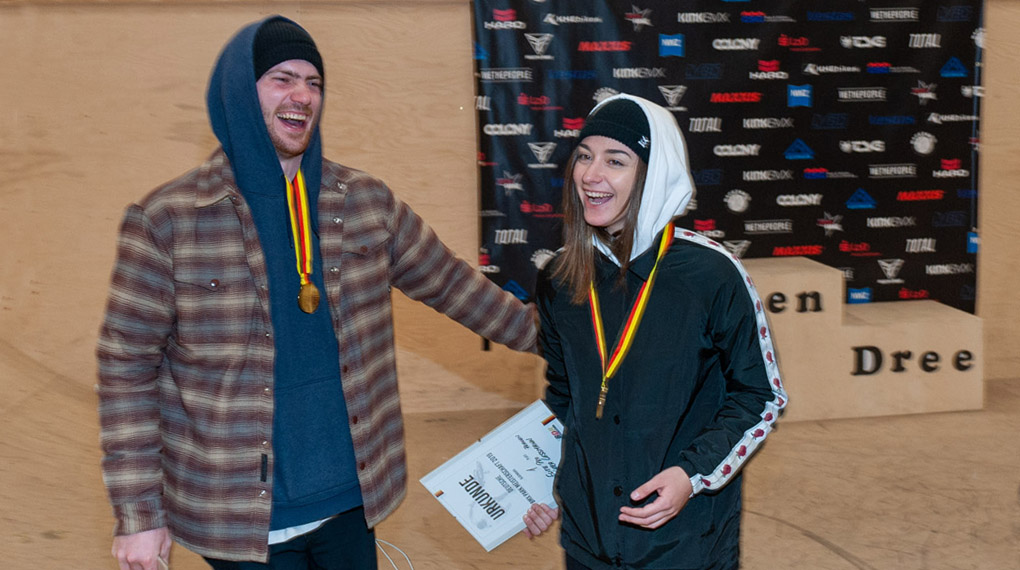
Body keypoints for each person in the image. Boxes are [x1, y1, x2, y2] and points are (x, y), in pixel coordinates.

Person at [96, 15, 537, 570]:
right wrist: (139, 514)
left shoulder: (365, 203)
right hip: (236, 516)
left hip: (351, 498)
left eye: (314, 82)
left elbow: (455, 286)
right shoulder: (168, 220)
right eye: (282, 78)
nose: (302, 95)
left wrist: (563, 339)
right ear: (239, 92)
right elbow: (126, 371)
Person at [520, 94, 787, 569]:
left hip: (685, 543)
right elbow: (565, 399)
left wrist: (692, 474)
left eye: (615, 160)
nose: (590, 174)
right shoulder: (560, 278)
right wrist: (541, 486)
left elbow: (759, 396)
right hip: (588, 540)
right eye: (584, 155)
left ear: (652, 172)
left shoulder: (710, 274)